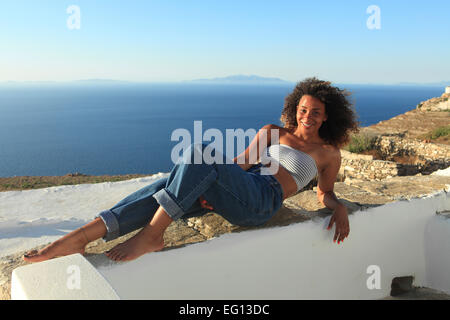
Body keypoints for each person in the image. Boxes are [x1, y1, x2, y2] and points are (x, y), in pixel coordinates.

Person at [23, 77, 359, 263]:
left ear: (326, 116)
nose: (308, 116)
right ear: (294, 109)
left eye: (316, 112)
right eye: (303, 109)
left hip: (263, 201)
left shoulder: (328, 153)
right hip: (242, 187)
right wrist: (216, 185)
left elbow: (323, 193)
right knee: (169, 182)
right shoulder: (272, 131)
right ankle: (81, 237)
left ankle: (152, 235)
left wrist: (339, 207)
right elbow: (238, 166)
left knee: (197, 154)